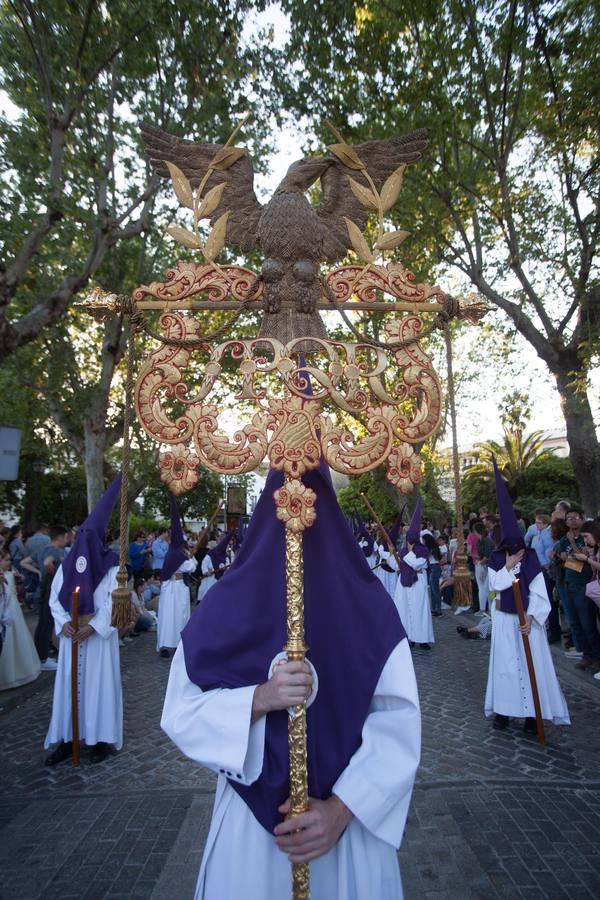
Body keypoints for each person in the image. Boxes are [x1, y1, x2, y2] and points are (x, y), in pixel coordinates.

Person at [161, 462, 420, 900]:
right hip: (252, 836)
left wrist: (341, 810)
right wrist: (260, 698)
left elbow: (398, 721)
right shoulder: (224, 605)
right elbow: (180, 711)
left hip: (345, 834)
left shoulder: (369, 606)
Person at [485, 458, 570, 733]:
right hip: (504, 619)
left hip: (527, 623)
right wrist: (508, 567)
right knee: (505, 666)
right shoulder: (497, 558)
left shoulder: (532, 557)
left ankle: (534, 714)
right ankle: (503, 711)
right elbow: (495, 586)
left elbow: (538, 591)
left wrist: (532, 616)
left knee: (532, 665)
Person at [44, 475, 123, 766]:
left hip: (96, 639)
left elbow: (115, 603)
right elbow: (54, 598)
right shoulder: (67, 566)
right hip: (71, 638)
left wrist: (93, 627)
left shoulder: (113, 568)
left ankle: (100, 740)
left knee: (98, 688)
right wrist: (64, 623)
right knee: (69, 688)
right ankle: (67, 739)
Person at [557, 509, 600, 675]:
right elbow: (564, 557)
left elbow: (584, 558)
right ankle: (586, 655)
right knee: (575, 622)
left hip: (585, 584)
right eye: (568, 518)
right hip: (569, 582)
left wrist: (573, 549)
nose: (572, 521)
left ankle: (596, 657)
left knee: (588, 623)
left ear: (582, 519)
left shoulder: (588, 537)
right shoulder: (563, 539)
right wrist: (572, 556)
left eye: (575, 518)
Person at [157, 495, 197, 658]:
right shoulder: (179, 554)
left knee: (168, 617)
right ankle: (177, 644)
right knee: (178, 617)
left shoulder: (171, 553)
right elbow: (192, 568)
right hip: (178, 588)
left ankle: (167, 644)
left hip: (169, 589)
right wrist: (191, 556)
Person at [393, 497, 434, 649]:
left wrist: (408, 554)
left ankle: (423, 639)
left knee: (420, 611)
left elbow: (417, 564)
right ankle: (409, 638)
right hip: (403, 584)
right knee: (405, 611)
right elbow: (397, 566)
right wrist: (393, 554)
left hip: (418, 583)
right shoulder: (403, 550)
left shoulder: (422, 550)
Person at [0, 550, 41, 689]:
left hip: (14, 610)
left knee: (18, 638)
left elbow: (17, 587)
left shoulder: (10, 574)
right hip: (5, 612)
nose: (9, 562)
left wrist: (19, 580)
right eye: (5, 560)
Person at [422, 533, 442, 617]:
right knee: (432, 590)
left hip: (435, 568)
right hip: (432, 568)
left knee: (435, 590)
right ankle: (433, 609)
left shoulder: (432, 548)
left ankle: (438, 609)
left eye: (423, 540)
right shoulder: (430, 548)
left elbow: (438, 558)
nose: (422, 541)